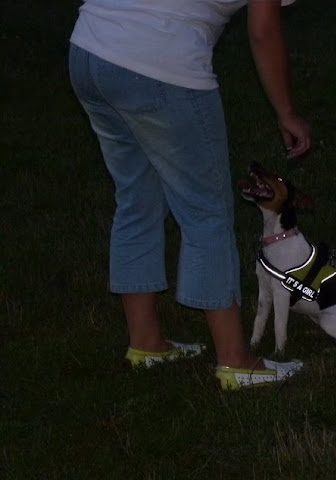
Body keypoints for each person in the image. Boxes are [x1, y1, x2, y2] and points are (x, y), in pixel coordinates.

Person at [68, 0, 311, 389]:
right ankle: (236, 362)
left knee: (137, 199)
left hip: (90, 48)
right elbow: (263, 30)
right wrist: (286, 111)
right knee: (207, 213)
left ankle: (146, 343)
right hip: (159, 63)